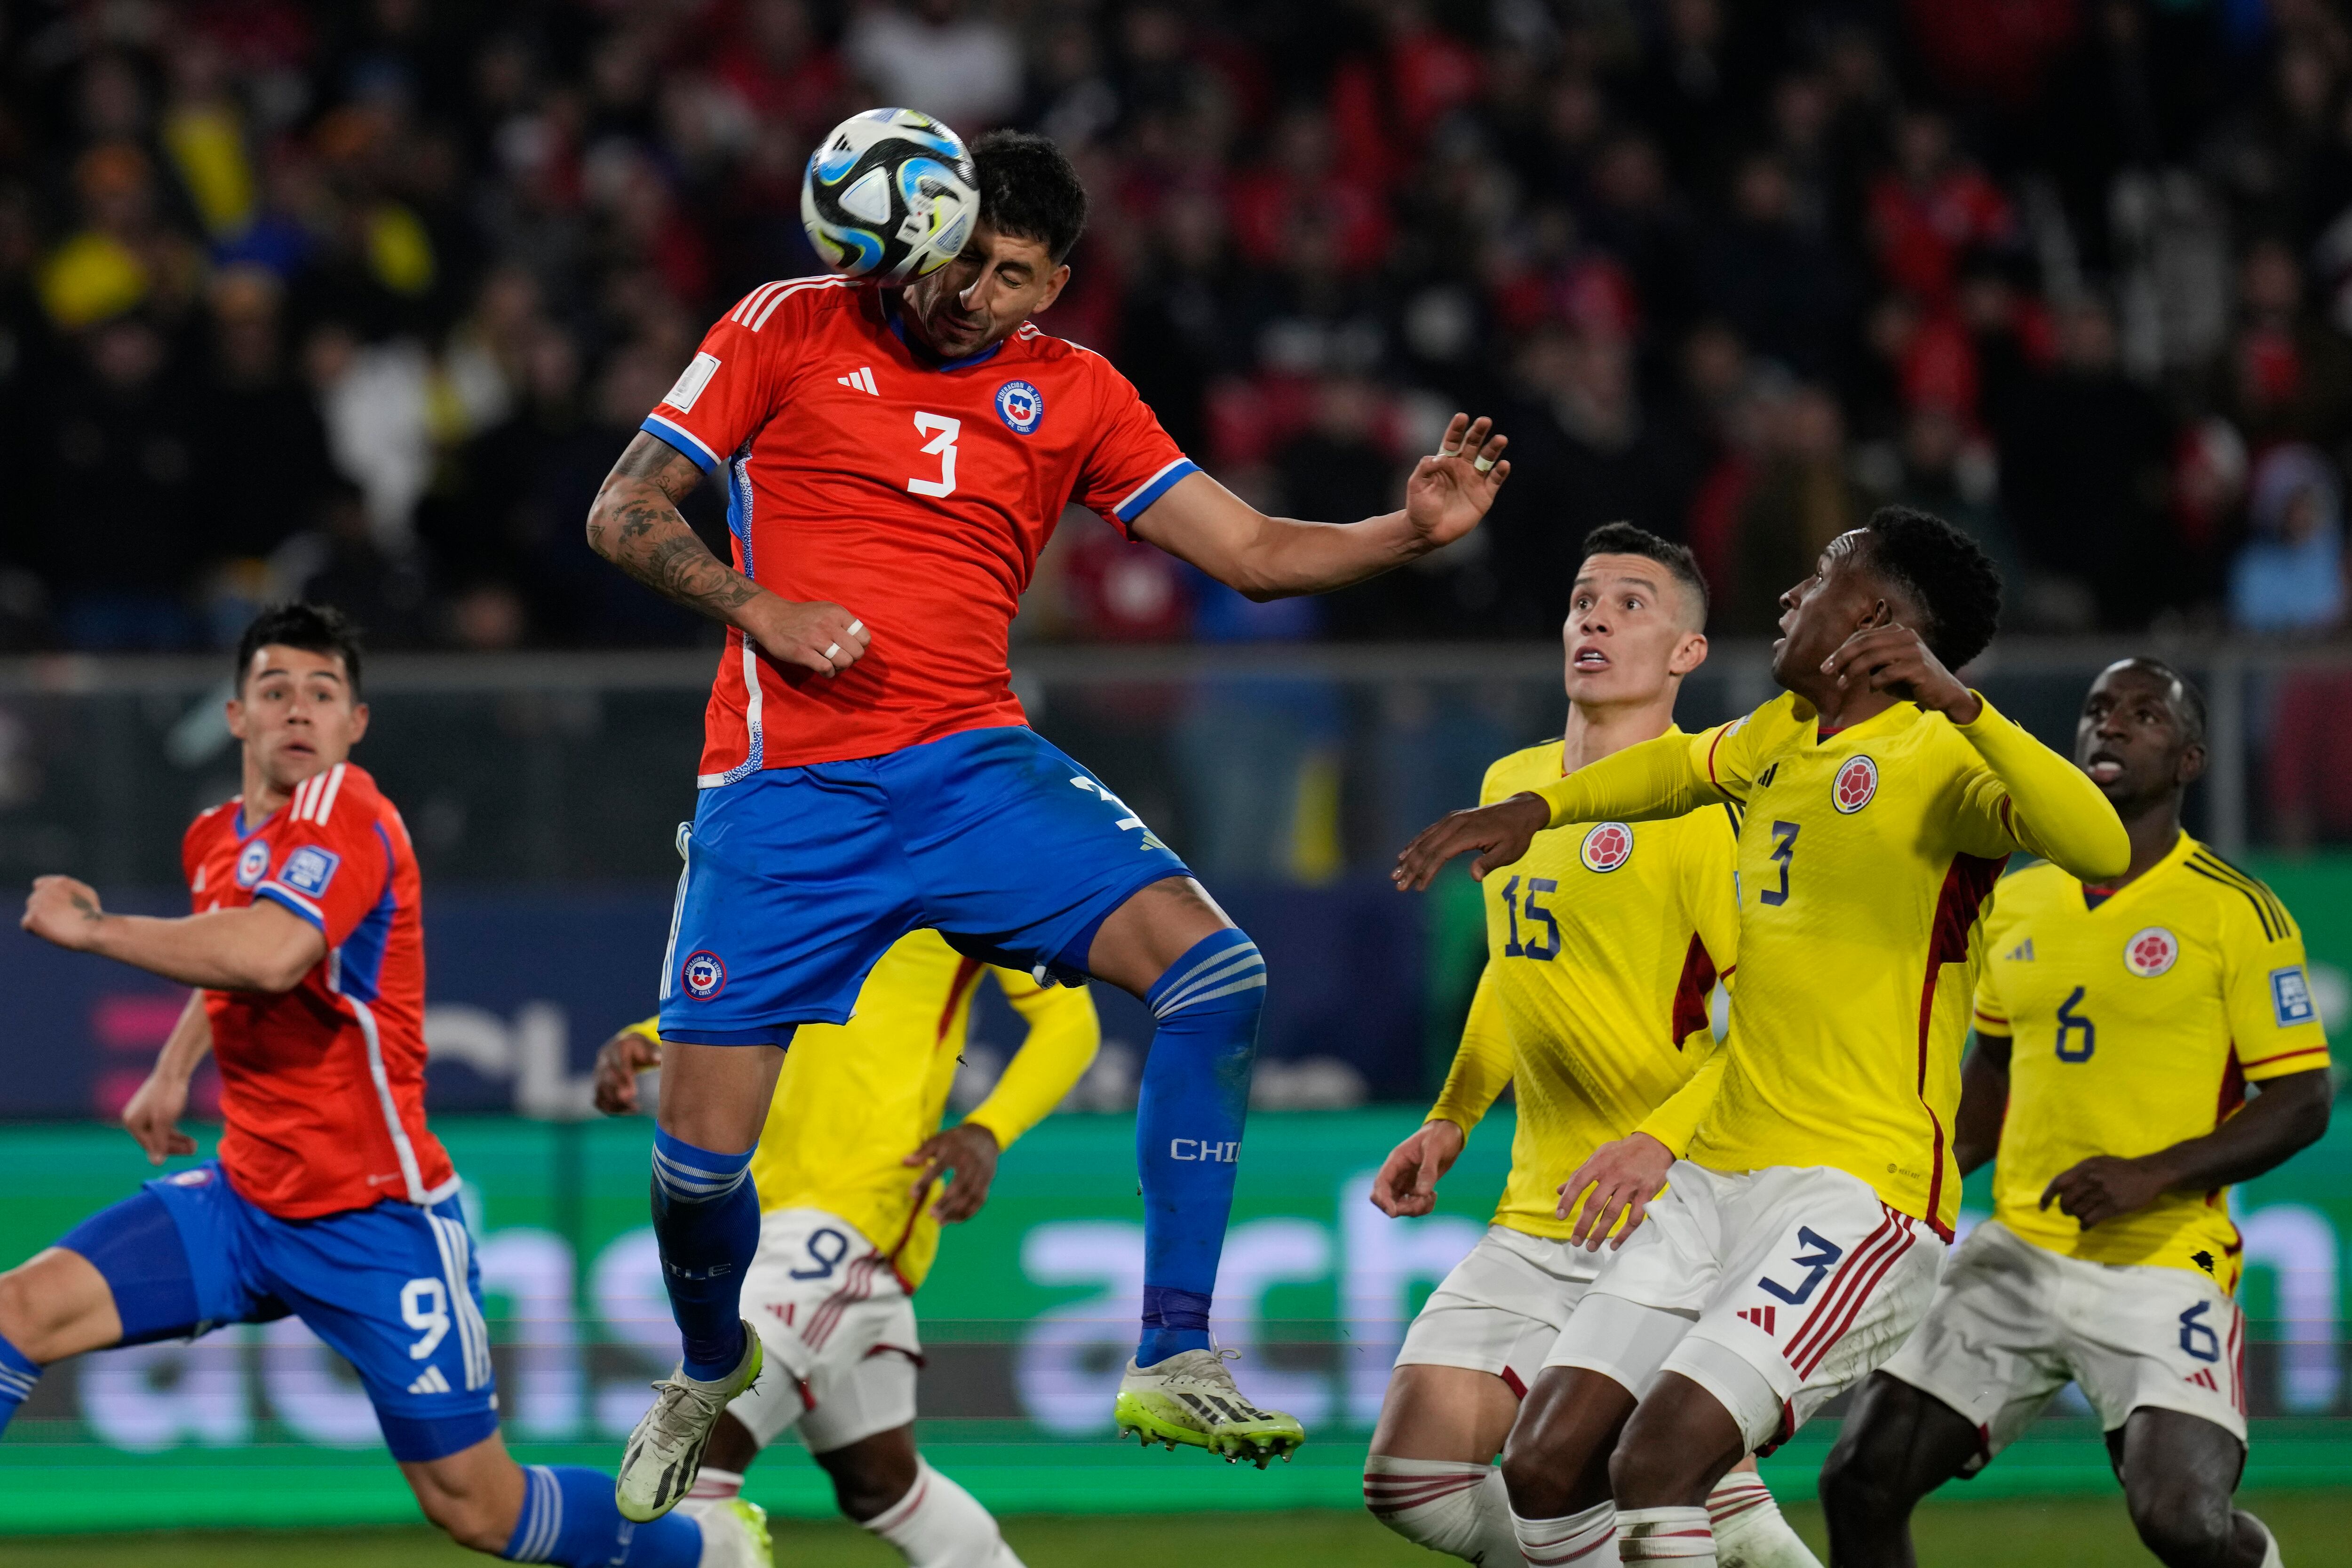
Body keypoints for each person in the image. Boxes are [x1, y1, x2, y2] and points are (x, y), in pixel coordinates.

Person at [584, 129, 1511, 1517]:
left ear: (1055, 283)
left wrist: (1406, 531)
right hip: (782, 796)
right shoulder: (787, 322)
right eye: (958, 255)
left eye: (1012, 275)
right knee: (697, 1164)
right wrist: (753, 603)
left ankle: (1174, 1346)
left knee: (1219, 971)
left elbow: (1251, 553)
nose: (974, 292)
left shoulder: (1075, 394)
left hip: (971, 770)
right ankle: (706, 1363)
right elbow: (621, 508)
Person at [1391, 507, 2130, 1568]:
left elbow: (2098, 842)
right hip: (1710, 1182)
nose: (1789, 594)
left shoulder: (1942, 758)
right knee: (1546, 1467)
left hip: (1855, 1186)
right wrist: (1536, 810)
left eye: (1823, 573)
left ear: (1872, 619)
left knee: (1657, 1466)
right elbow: (1672, 769)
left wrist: (1965, 704)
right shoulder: (1781, 734)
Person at [0, 605, 769, 1568]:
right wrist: (175, 1063)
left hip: (376, 1216)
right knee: (15, 1312)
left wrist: (97, 926)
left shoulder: (352, 814)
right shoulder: (214, 836)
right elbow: (233, 952)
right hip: (244, 1201)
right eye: (275, 690)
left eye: (324, 694)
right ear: (236, 714)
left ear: (355, 722)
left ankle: (706, 1550)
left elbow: (276, 952)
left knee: (478, 1507)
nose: (299, 710)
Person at [1362, 524, 1820, 1568]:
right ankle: (1731, 1510)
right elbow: (1509, 970)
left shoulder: (1710, 815)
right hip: (1537, 1207)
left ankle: (1728, 1516)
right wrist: (1450, 1114)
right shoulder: (1513, 779)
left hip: (1669, 1214)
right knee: (1408, 1481)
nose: (1595, 619)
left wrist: (1659, 1140)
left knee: (1566, 1476)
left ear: (1686, 654)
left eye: (1629, 602)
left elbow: (1771, 1029)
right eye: (1582, 599)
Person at [1820, 660, 2329, 1568]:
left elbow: (2302, 1099)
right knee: (1859, 1478)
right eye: (2098, 710)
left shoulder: (2237, 912)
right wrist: (1912, 1174)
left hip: (2164, 1262)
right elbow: (1993, 1075)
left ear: (2190, 761)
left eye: (2145, 715)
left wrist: (2153, 1173)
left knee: (2181, 1520)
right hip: (2017, 1254)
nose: (2113, 726)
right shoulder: (2017, 898)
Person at [591, 927, 1100, 1568]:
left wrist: (988, 1130)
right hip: (759, 1209)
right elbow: (754, 990)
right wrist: (654, 1032)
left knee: (689, 1463)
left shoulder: (954, 867)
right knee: (885, 1486)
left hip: (858, 1212)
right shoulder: (813, 866)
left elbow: (1069, 1023)